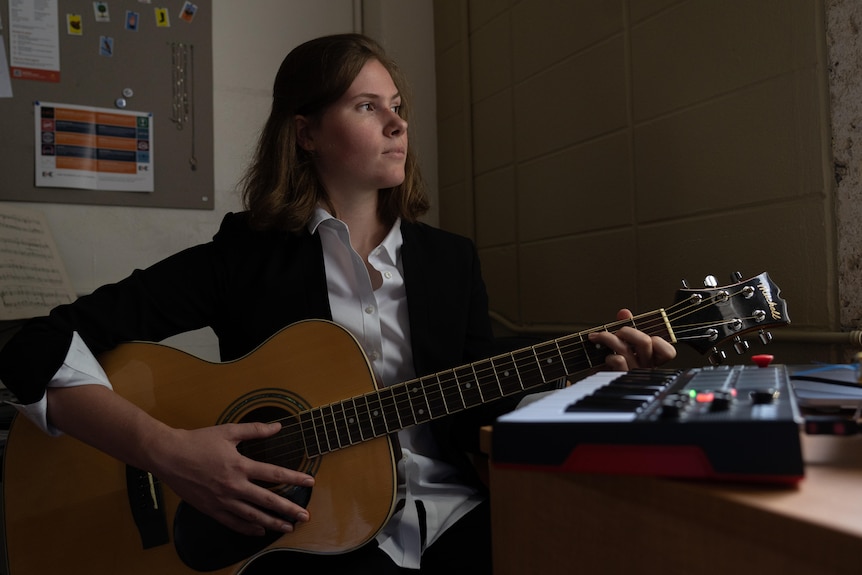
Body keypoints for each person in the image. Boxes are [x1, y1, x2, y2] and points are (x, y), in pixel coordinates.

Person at [0, 33, 675, 574]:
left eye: (398, 104)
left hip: (452, 517)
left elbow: (477, 413)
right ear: (306, 133)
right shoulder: (247, 254)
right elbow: (35, 346)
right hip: (301, 531)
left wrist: (582, 383)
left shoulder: (450, 260)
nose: (397, 121)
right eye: (366, 105)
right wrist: (170, 453)